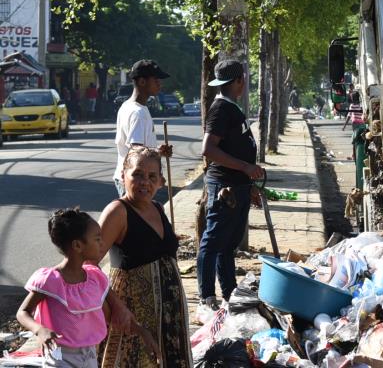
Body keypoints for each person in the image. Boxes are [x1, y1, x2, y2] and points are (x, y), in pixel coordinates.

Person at [16, 208, 155, 368]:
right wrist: (39, 329)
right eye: (97, 239)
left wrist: (142, 331)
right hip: (59, 355)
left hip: (89, 355)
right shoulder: (50, 280)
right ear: (77, 245)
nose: (102, 243)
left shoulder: (95, 278)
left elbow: (116, 315)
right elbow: (22, 312)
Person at [97, 146, 191, 367]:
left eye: (151, 176)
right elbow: (88, 267)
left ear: (160, 180)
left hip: (170, 317)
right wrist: (117, 307)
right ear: (123, 175)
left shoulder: (158, 208)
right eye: (137, 174)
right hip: (133, 321)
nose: (144, 182)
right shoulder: (117, 212)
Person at [198, 60, 264, 308]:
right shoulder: (221, 109)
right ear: (239, 81)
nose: (243, 84)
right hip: (224, 187)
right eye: (242, 80)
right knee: (213, 241)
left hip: (239, 185)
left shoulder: (231, 108)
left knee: (228, 243)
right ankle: (207, 297)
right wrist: (246, 167)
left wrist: (249, 181)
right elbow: (209, 149)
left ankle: (229, 293)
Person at [113, 60, 173, 197]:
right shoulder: (137, 113)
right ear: (142, 82)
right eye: (155, 79)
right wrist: (155, 176)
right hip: (137, 182)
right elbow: (137, 153)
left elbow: (139, 149)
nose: (159, 83)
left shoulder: (128, 106)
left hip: (131, 178)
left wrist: (158, 152)